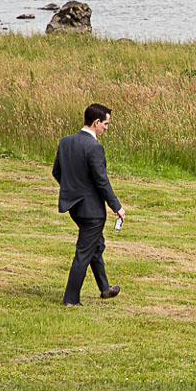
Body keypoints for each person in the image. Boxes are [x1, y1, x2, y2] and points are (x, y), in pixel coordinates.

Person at [52, 103, 126, 306]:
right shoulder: (95, 147)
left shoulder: (65, 142)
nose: (107, 128)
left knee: (96, 245)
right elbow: (102, 181)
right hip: (92, 211)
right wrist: (117, 207)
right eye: (106, 124)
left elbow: (56, 172)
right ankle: (71, 299)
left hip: (74, 207)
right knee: (83, 252)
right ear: (96, 122)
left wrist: (72, 190)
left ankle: (105, 289)